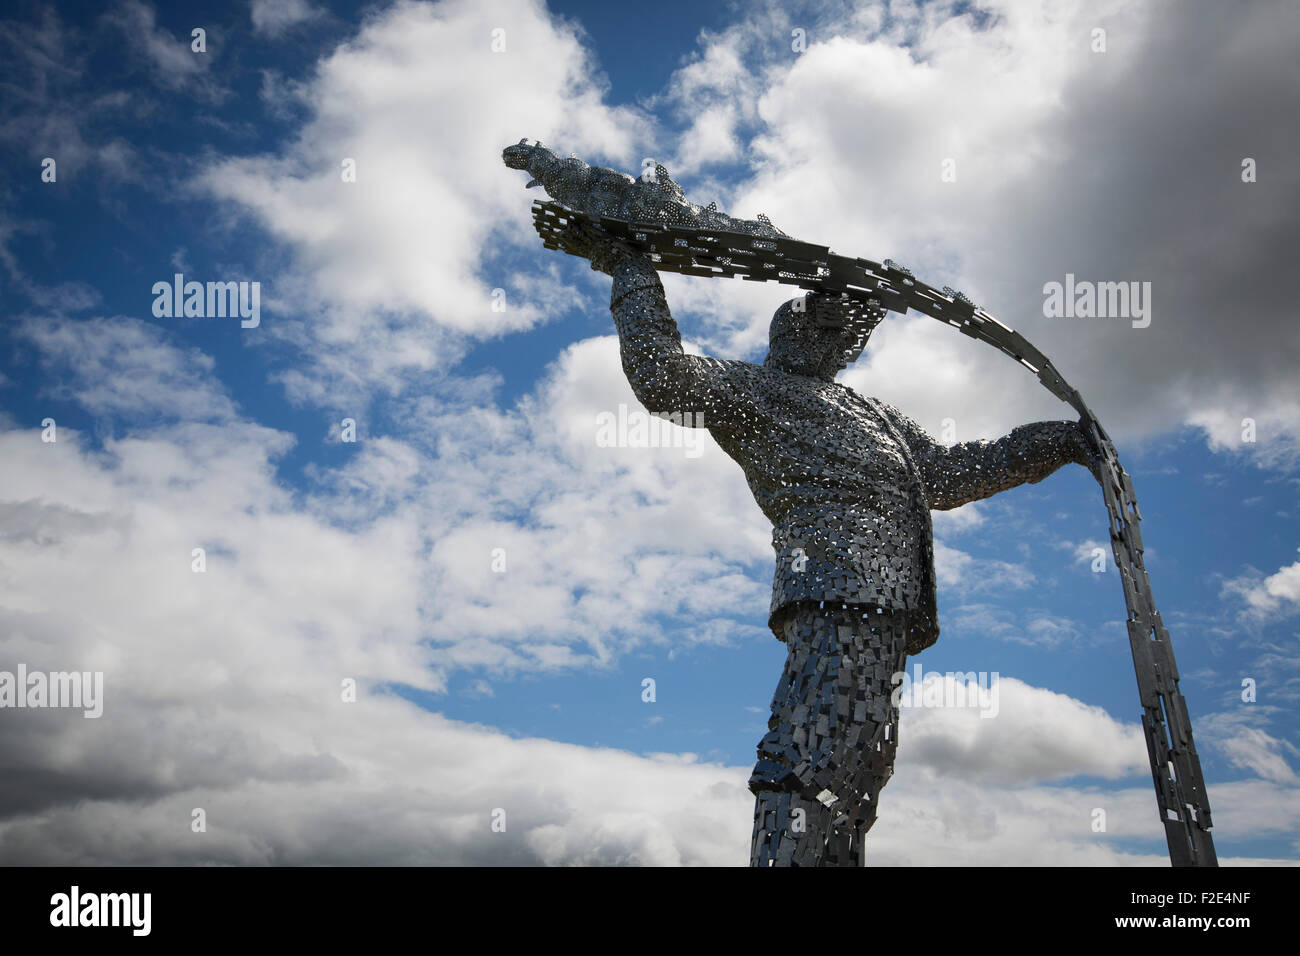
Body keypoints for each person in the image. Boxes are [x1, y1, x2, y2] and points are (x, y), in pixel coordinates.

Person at [554, 215, 1099, 866]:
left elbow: (950, 473)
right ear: (789, 335)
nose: (836, 341)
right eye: (822, 327)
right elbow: (663, 376)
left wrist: (1057, 443)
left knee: (858, 764)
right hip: (834, 588)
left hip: (890, 606)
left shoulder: (875, 415)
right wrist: (634, 272)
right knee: (819, 754)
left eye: (842, 334)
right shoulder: (755, 392)